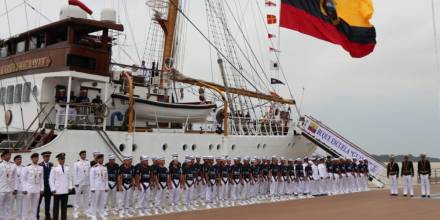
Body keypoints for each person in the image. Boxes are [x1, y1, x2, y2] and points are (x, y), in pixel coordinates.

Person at [49, 153, 73, 220]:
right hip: (57, 191)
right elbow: (51, 179)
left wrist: (70, 187)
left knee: (64, 207)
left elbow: (70, 178)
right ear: (58, 160)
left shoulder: (67, 167)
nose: (62, 160)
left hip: (65, 190)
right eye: (61, 159)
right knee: (56, 208)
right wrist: (53, 189)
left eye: (63, 159)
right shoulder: (54, 168)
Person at [22, 153, 44, 220]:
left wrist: (42, 188)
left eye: (37, 158)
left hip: (37, 188)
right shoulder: (27, 168)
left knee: (35, 205)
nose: (36, 159)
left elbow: (41, 179)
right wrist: (24, 188)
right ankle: (24, 218)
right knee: (26, 205)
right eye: (34, 158)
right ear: (31, 159)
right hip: (29, 188)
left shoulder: (41, 168)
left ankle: (34, 218)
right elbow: (23, 179)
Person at [89, 153, 109, 220]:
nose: (101, 160)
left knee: (102, 202)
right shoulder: (94, 168)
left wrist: (106, 186)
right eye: (100, 158)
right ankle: (93, 215)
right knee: (95, 201)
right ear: (97, 160)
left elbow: (106, 178)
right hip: (96, 187)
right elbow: (91, 178)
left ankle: (101, 214)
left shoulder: (105, 167)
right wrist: (92, 187)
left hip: (103, 187)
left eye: (102, 158)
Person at [0, 150, 18, 220]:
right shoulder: (0, 165)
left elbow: (16, 178)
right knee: (0, 206)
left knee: (8, 206)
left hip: (10, 189)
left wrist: (15, 188)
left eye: (9, 155)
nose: (8, 156)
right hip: (1, 189)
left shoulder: (13, 166)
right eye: (7, 155)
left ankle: (7, 218)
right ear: (3, 156)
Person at [73, 150, 91, 218]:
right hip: (79, 183)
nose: (84, 155)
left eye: (85, 154)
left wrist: (90, 182)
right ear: (80, 155)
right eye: (83, 154)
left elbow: (89, 173)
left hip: (86, 182)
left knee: (86, 198)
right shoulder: (76, 163)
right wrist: (76, 182)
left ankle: (86, 211)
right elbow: (75, 173)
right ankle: (75, 212)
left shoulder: (88, 162)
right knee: (77, 198)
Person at [38, 151, 53, 220]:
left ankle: (47, 216)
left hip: (48, 187)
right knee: (38, 202)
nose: (47, 158)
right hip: (41, 187)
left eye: (48, 156)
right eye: (46, 156)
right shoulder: (39, 165)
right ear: (43, 157)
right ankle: (37, 216)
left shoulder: (51, 165)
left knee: (47, 203)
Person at [14, 155, 25, 220]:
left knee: (22, 205)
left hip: (22, 189)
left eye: (20, 159)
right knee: (17, 205)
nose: (20, 160)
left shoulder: (24, 168)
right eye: (18, 159)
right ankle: (18, 218)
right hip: (15, 189)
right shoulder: (13, 168)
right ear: (15, 160)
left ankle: (22, 218)